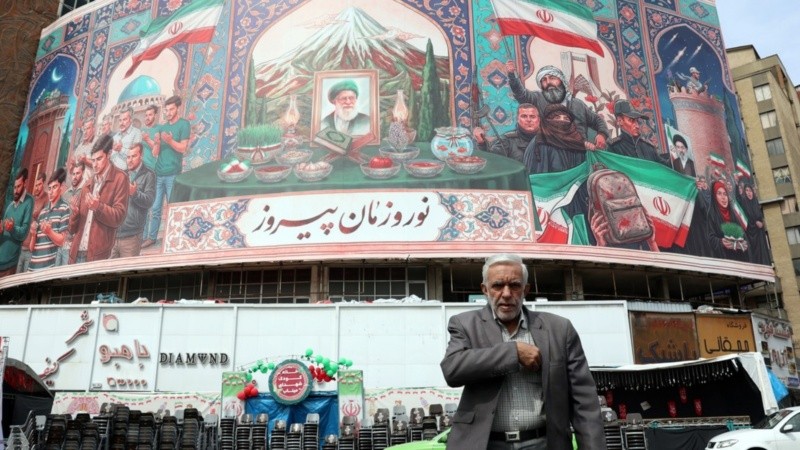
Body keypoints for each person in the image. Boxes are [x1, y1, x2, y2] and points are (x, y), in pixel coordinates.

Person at [441, 254, 606, 450]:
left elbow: (584, 402)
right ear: (485, 289)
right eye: (497, 285)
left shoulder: (559, 329)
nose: (507, 293)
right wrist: (513, 353)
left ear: (526, 289)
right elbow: (452, 369)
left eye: (515, 285)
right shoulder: (464, 324)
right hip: (485, 444)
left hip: (544, 443)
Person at [506, 62, 609, 148]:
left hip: (580, 152)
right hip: (551, 154)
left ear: (561, 80)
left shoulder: (577, 105)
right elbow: (521, 94)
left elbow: (597, 120)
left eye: (552, 78)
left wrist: (602, 134)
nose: (548, 82)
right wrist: (512, 75)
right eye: (544, 80)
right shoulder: (538, 99)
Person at [68, 134, 129, 263]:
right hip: (76, 253)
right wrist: (75, 214)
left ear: (110, 154)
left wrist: (98, 207)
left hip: (98, 256)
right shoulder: (88, 184)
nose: (94, 165)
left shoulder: (120, 178)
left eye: (99, 159)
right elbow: (72, 229)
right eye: (93, 160)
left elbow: (119, 217)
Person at [144, 95, 190, 248]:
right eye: (166, 110)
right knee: (155, 208)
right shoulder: (162, 128)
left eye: (171, 109)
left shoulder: (184, 125)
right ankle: (152, 238)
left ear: (178, 108)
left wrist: (170, 141)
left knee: (173, 206)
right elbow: (155, 152)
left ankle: (175, 237)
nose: (168, 113)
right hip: (159, 174)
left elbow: (183, 148)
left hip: (173, 174)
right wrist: (155, 142)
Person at [112, 143, 155, 258]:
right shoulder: (121, 175)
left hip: (132, 237)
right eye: (128, 157)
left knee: (126, 274)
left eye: (133, 156)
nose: (130, 160)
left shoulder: (149, 175)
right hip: (113, 235)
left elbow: (149, 201)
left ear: (141, 156)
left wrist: (134, 193)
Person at [526, 103, 594, 174]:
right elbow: (538, 177)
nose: (562, 121)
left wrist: (588, 149)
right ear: (547, 121)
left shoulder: (578, 143)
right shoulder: (541, 143)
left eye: (566, 119)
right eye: (557, 118)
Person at [29, 168, 70, 271]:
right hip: (32, 268)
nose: (51, 192)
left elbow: (62, 241)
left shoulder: (65, 208)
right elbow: (31, 248)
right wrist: (33, 234)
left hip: (47, 269)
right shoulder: (42, 212)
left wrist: (49, 232)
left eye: (54, 187)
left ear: (61, 187)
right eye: (49, 188)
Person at [607, 100, 667, 165]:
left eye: (637, 121)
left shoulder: (649, 148)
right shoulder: (613, 147)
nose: (637, 126)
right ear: (620, 121)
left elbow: (664, 168)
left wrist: (674, 159)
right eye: (631, 120)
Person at [0, 169, 34, 276]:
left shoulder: (29, 201)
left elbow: (24, 233)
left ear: (25, 183)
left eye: (18, 186)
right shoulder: (9, 206)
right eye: (14, 187)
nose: (15, 191)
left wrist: (12, 228)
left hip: (10, 265)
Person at [706, 180, 748, 262]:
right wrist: (721, 242)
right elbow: (710, 238)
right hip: (724, 261)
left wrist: (743, 243)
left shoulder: (733, 213)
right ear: (714, 196)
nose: (723, 197)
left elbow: (743, 235)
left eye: (725, 194)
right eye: (719, 194)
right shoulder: (711, 215)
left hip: (740, 259)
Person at [18, 171, 48, 273]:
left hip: (34, 246)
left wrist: (37, 217)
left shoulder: (46, 198)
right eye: (35, 185)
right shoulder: (31, 199)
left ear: (43, 184)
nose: (36, 187)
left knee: (26, 278)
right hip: (23, 244)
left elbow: (47, 221)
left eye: (39, 185)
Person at [72, 116, 96, 182]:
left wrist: (85, 160)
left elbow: (99, 165)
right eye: (84, 129)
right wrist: (73, 164)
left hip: (90, 183)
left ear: (93, 129)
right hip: (78, 183)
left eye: (88, 129)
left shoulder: (98, 143)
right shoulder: (80, 146)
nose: (85, 132)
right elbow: (73, 167)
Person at [141, 104, 161, 170]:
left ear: (155, 116)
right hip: (140, 166)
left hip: (151, 168)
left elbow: (158, 151)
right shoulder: (141, 130)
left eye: (150, 115)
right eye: (146, 115)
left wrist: (147, 139)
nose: (147, 117)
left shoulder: (160, 128)